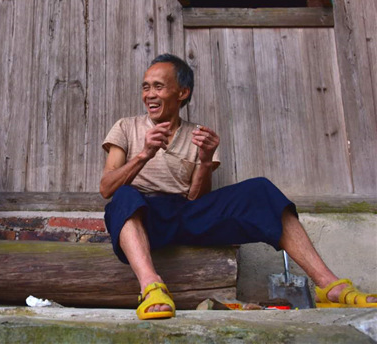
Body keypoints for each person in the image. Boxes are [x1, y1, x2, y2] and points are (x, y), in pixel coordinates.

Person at [100, 53, 377, 320]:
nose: (150, 95)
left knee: (260, 190)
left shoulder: (198, 134)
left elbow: (196, 197)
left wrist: (206, 161)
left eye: (159, 87)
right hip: (145, 216)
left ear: (182, 93)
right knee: (125, 195)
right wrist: (144, 154)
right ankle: (151, 287)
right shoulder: (126, 127)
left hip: (185, 213)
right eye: (146, 87)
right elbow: (106, 187)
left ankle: (329, 287)